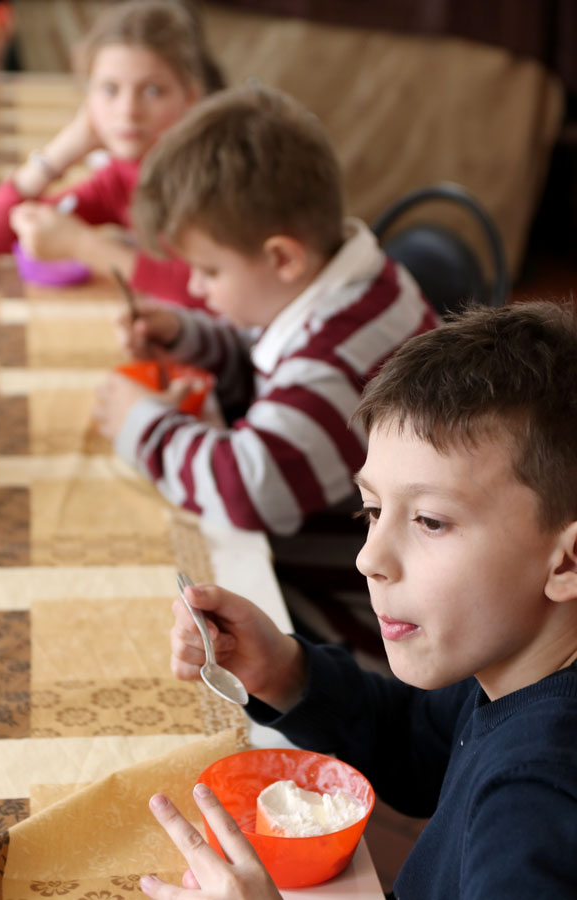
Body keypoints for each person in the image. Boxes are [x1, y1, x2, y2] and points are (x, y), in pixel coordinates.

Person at [140, 300, 577, 900]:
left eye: (430, 520)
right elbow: (418, 744)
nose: (369, 558)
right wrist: (286, 672)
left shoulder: (538, 797)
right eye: (372, 510)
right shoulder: (513, 668)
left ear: (567, 562)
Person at [94, 84, 437, 637]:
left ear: (282, 258)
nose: (195, 288)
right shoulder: (354, 281)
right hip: (317, 563)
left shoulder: (334, 363)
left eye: (209, 270)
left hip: (356, 616)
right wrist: (187, 336)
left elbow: (246, 488)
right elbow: (268, 357)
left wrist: (142, 424)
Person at [0, 0, 223, 308]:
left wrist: (81, 245)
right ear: (88, 98)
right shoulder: (122, 175)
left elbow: (204, 290)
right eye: (109, 89)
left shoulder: (209, 174)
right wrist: (62, 151)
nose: (128, 110)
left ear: (190, 96)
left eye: (153, 91)